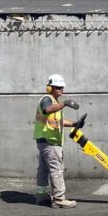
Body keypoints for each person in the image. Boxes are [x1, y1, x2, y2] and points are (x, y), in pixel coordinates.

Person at [34, 73, 80, 208]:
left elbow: (56, 122)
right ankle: (59, 199)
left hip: (44, 141)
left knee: (43, 170)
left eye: (62, 87)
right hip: (50, 141)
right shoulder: (47, 100)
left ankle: (42, 196)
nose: (62, 90)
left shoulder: (54, 102)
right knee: (57, 170)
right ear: (50, 88)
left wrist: (74, 124)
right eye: (59, 87)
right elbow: (47, 109)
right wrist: (65, 103)